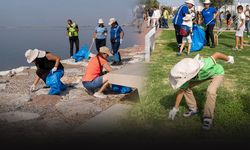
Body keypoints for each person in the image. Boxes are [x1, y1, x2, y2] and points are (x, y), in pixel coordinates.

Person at [168, 52, 234, 130]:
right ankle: (193, 109)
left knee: (210, 91)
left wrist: (229, 59)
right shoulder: (187, 76)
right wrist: (175, 108)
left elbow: (217, 54)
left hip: (217, 73)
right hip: (202, 76)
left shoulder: (205, 65)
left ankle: (208, 118)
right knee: (185, 88)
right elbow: (181, 91)